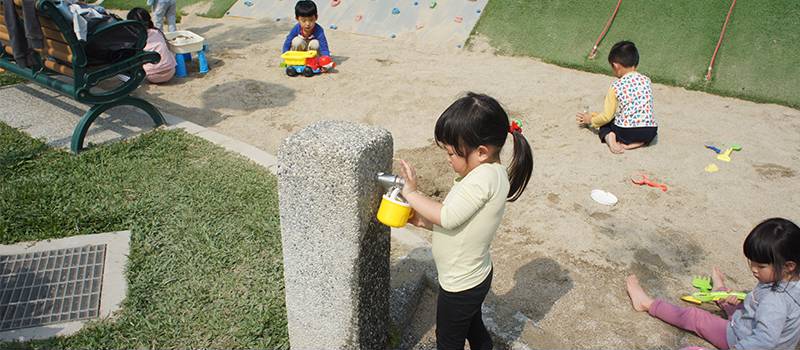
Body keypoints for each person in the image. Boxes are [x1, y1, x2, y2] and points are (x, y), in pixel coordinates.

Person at [399, 92, 534, 349]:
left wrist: (412, 194)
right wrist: (422, 221)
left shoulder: (482, 179)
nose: (448, 158)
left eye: (452, 153)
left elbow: (448, 216)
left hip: (460, 285)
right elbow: (461, 220)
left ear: (481, 152)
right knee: (472, 324)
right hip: (474, 276)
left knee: (448, 339)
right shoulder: (489, 173)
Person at [626, 218, 800, 350]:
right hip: (753, 324)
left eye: (760, 266)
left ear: (789, 266)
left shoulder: (774, 301)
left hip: (739, 337)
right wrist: (746, 300)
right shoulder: (789, 282)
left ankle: (646, 304)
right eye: (751, 262)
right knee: (730, 301)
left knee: (694, 317)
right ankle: (720, 291)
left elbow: (765, 340)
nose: (753, 270)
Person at [576, 41, 658, 154]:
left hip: (626, 132)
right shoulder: (646, 80)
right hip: (648, 132)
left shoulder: (616, 86)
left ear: (616, 66)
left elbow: (607, 116)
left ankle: (611, 140)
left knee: (605, 125)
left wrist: (591, 120)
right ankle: (638, 143)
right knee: (652, 128)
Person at [127, 7, 176, 84]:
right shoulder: (157, 32)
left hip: (152, 75)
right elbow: (168, 47)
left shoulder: (136, 37)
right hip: (170, 71)